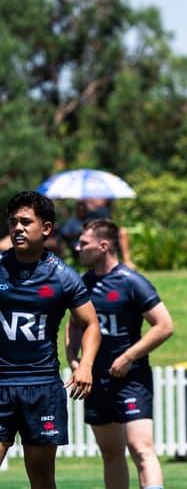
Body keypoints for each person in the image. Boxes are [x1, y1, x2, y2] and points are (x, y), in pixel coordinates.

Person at [0, 190, 101, 488]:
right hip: (1, 384)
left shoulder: (63, 276)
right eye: (13, 222)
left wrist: (85, 366)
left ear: (45, 228)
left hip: (41, 388)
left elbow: (91, 325)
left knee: (42, 479)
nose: (17, 227)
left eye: (25, 222)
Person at [66, 218, 174, 489]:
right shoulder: (82, 284)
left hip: (131, 378)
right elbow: (74, 326)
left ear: (103, 246)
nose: (78, 248)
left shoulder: (132, 282)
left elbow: (164, 326)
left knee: (140, 447)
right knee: (111, 453)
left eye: (84, 243)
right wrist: (73, 359)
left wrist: (128, 357)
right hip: (96, 380)